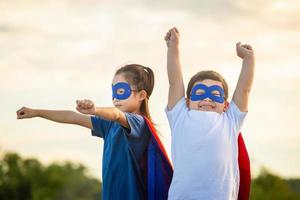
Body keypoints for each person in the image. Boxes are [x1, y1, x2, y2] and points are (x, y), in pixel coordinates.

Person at [16, 64, 173, 200]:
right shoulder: (109, 125)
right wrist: (36, 112)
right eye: (113, 91)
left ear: (141, 95)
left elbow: (117, 114)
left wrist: (95, 110)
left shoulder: (139, 123)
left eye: (121, 91)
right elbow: (73, 117)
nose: (115, 98)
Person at [164, 27, 254, 200]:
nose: (207, 99)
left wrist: (248, 59)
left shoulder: (231, 119)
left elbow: (244, 90)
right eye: (199, 94)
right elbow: (174, 81)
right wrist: (173, 47)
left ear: (226, 105)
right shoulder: (179, 115)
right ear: (188, 101)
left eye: (215, 95)